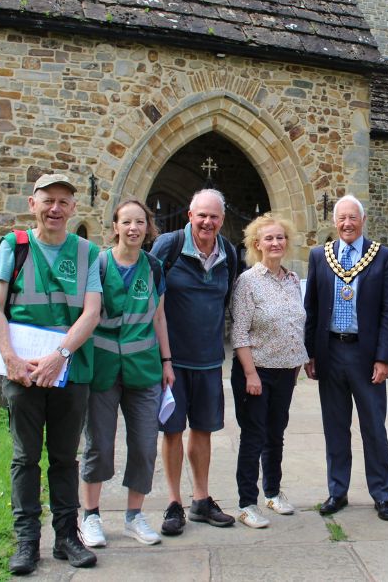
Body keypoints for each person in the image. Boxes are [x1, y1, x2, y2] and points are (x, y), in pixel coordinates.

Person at [0, 173, 102, 575]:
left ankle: (67, 537)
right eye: (48, 200)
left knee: (65, 457)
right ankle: (26, 541)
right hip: (20, 371)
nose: (55, 208)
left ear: (73, 209)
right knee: (24, 458)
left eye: (63, 202)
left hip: (70, 371)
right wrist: (12, 359)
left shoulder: (87, 252)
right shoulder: (13, 246)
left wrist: (59, 355)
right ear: (32, 204)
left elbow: (92, 311)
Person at [78, 199, 175, 549]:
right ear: (115, 227)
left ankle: (134, 516)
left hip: (144, 369)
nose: (134, 228)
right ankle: (90, 516)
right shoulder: (98, 264)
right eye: (126, 222)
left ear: (148, 228)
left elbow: (159, 317)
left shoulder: (154, 268)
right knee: (99, 445)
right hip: (102, 369)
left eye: (140, 222)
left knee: (145, 445)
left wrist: (167, 362)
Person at [304, 195, 388, 521]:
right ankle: (337, 490)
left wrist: (384, 358)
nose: (347, 224)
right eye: (342, 218)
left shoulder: (383, 257)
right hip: (330, 351)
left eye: (352, 218)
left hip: (365, 354)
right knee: (335, 427)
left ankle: (383, 494)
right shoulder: (320, 256)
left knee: (374, 427)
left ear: (363, 219)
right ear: (335, 222)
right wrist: (311, 353)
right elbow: (312, 309)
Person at [151, 189, 239, 535]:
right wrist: (160, 359)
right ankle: (174, 503)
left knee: (203, 430)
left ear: (222, 219)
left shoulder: (228, 253)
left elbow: (227, 300)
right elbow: (151, 304)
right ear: (190, 215)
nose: (208, 222)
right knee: (172, 431)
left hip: (208, 361)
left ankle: (201, 499)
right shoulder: (168, 248)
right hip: (172, 362)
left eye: (214, 216)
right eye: (202, 215)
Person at [229, 214, 308, 528]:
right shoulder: (248, 281)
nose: (275, 243)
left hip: (286, 372)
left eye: (280, 237)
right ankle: (247, 503)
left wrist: (299, 357)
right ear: (256, 244)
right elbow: (240, 333)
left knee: (276, 435)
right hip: (256, 373)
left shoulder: (292, 280)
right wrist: (250, 374)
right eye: (269, 239)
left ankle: (273, 492)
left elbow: (296, 322)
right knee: (253, 436)